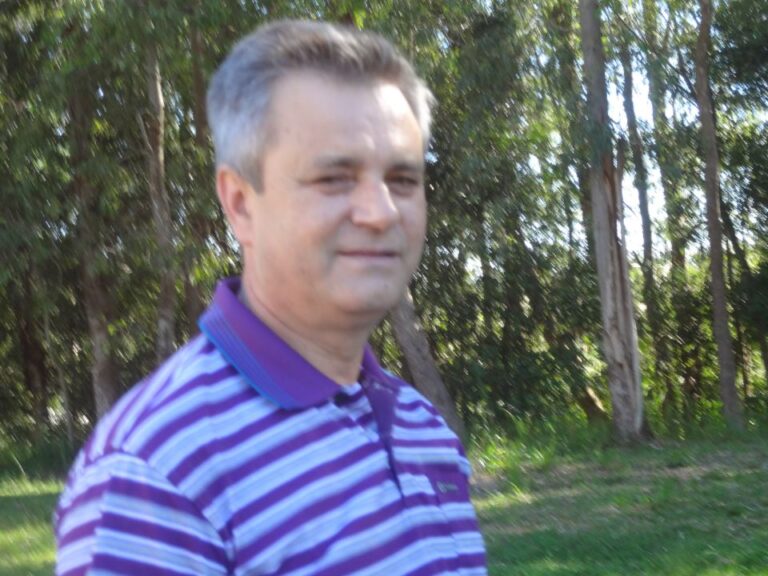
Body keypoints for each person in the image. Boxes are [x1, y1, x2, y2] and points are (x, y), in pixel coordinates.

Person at [55, 19, 487, 575]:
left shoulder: (419, 428)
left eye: (402, 180)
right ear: (240, 204)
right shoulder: (153, 480)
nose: (381, 213)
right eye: (334, 178)